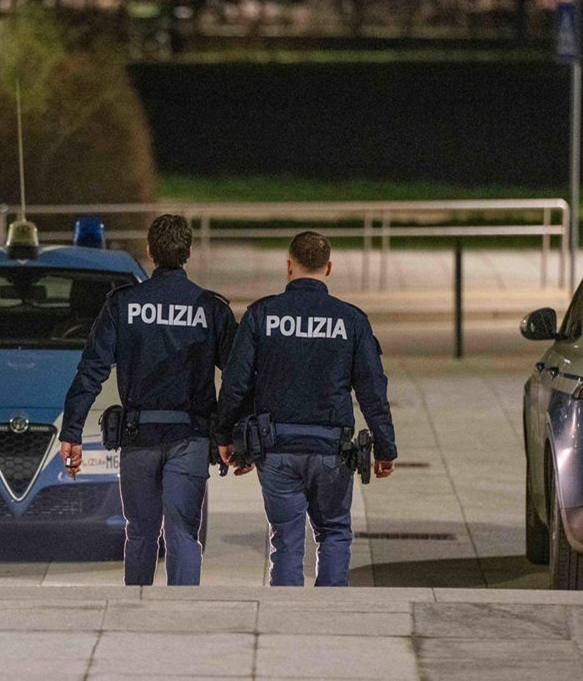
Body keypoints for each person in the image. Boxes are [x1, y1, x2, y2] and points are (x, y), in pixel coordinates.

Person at [59, 214, 237, 586]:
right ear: (188, 252)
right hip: (190, 438)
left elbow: (91, 370)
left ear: (149, 252)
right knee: (183, 535)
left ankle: (134, 616)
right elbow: (238, 377)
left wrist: (71, 431)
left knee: (140, 534)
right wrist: (230, 434)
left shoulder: (123, 304)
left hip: (138, 439)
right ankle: (180, 618)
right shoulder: (211, 308)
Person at [215, 231, 397, 587]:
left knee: (285, 541)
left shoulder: (261, 314)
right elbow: (373, 390)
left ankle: (286, 621)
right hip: (332, 450)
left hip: (277, 447)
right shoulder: (352, 320)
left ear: (288, 266)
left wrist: (224, 435)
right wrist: (386, 446)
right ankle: (328, 613)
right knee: (334, 532)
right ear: (328, 268)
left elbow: (236, 383)